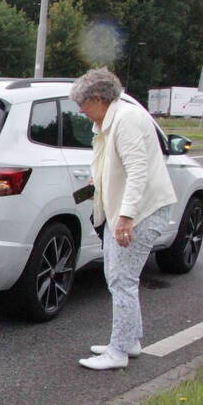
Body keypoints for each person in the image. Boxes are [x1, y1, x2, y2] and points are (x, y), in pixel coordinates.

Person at [70, 68, 177, 370]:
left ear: (99, 98)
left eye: (83, 103)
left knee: (121, 280)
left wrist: (126, 217)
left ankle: (118, 352)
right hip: (133, 210)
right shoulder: (109, 120)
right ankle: (129, 341)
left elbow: (137, 171)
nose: (80, 110)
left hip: (141, 212)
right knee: (121, 278)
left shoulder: (126, 119)